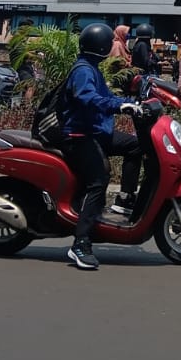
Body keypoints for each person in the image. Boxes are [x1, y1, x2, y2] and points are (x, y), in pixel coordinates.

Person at [60, 21, 147, 271]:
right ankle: (81, 243)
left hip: (96, 132)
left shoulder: (92, 68)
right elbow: (86, 97)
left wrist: (129, 103)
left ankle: (125, 200)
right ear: (101, 46)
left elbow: (106, 97)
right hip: (79, 136)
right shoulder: (83, 71)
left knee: (136, 146)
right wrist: (117, 106)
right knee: (98, 179)